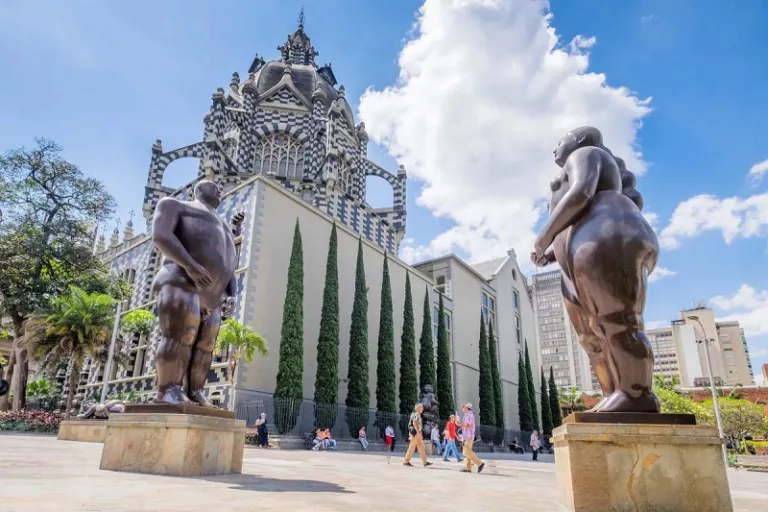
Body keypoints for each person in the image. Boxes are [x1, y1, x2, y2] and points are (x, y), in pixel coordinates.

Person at [150, 180, 244, 406]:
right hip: (181, 280)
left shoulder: (224, 226)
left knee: (205, 346)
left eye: (220, 186)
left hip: (213, 296)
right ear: (198, 190)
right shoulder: (175, 205)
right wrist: (190, 265)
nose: (219, 188)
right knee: (180, 336)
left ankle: (195, 391)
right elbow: (161, 235)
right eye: (214, 185)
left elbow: (229, 264)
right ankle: (167, 390)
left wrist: (230, 294)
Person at [403, 403, 432, 467]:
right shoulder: (416, 414)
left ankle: (425, 462)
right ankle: (406, 461)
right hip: (415, 433)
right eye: (422, 407)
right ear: (418, 408)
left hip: (417, 433)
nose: (423, 409)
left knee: (421, 447)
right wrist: (418, 433)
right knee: (412, 447)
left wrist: (420, 433)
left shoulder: (417, 414)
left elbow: (418, 425)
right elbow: (414, 423)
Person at [460, 403, 484, 473]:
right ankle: (468, 468)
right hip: (468, 436)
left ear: (466, 407)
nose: (462, 408)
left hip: (468, 436)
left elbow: (468, 425)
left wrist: (460, 424)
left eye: (463, 406)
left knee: (466, 452)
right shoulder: (468, 414)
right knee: (468, 452)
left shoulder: (469, 415)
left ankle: (480, 463)